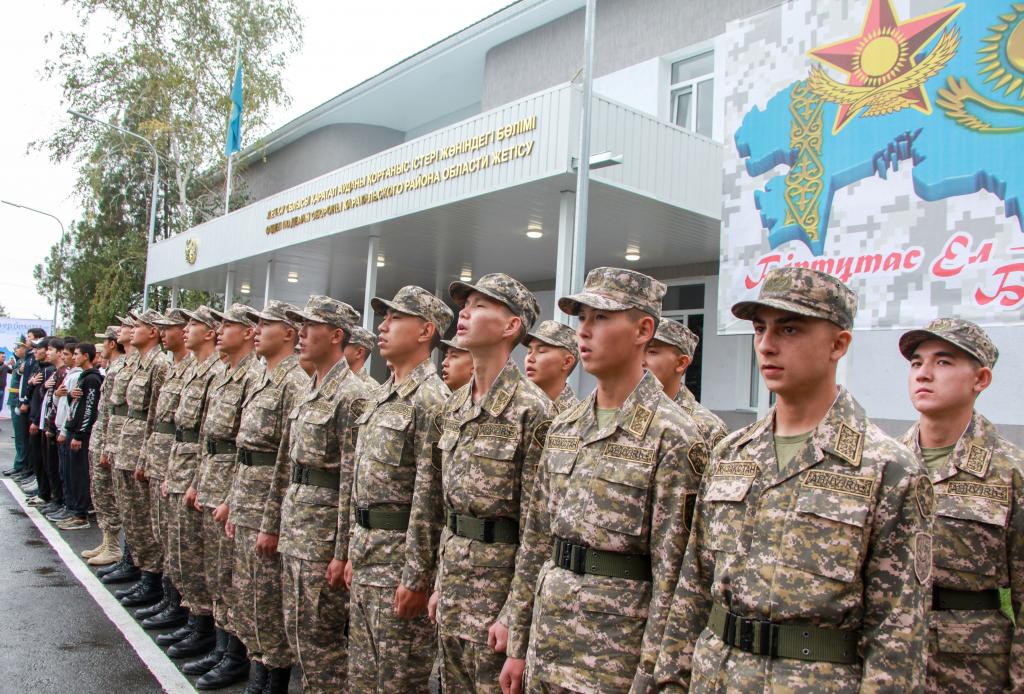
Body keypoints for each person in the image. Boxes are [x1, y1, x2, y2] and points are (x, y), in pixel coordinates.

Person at [653, 266, 933, 692]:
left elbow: (898, 635)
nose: (766, 345)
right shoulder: (731, 454)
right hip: (716, 678)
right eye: (759, 329)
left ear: (838, 344)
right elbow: (693, 591)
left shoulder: (888, 469)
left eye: (789, 329)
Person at [498, 267, 705, 693]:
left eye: (601, 318)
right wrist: (519, 643)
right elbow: (536, 542)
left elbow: (674, 579)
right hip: (548, 645)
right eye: (582, 318)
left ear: (642, 330)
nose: (584, 331)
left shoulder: (673, 436)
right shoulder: (565, 426)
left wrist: (653, 677)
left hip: (613, 660)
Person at [426, 273, 551, 694]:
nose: (464, 313)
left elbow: (538, 530)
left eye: (479, 306)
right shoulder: (455, 406)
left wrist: (516, 616)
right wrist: (440, 584)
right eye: (465, 306)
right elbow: (448, 510)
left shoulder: (533, 411)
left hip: (496, 601)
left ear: (511, 326)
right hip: (454, 590)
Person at [896, 318, 1023, 691]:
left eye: (943, 362)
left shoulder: (1009, 472)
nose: (924, 374)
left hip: (971, 672)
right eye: (916, 363)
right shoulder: (886, 464)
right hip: (891, 663)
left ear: (980, 379)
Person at [260, 296, 372, 692]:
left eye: (311, 327)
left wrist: (342, 552)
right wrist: (271, 523)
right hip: (296, 529)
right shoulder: (309, 389)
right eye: (300, 326)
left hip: (322, 540)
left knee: (322, 641)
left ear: (337, 335)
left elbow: (352, 481)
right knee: (298, 631)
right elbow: (285, 466)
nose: (302, 334)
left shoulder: (353, 395)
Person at [346, 286, 453, 693]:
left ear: (426, 331)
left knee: (396, 681)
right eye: (384, 318)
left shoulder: (433, 400)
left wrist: (417, 577)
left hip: (398, 565)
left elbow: (430, 497)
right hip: (367, 553)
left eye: (396, 318)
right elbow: (360, 483)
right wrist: (353, 548)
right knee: (362, 677)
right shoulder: (380, 395)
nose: (382, 327)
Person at [226, 300, 306, 694]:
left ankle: (272, 681)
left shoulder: (295, 383)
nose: (256, 331)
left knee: (268, 599)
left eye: (265, 324)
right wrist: (232, 501)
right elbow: (244, 448)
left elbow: (288, 461)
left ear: (288, 333)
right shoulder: (262, 377)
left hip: (267, 508)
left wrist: (272, 521)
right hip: (246, 498)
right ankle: (256, 670)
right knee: (248, 592)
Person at [182, 304, 259, 688]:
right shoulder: (226, 374)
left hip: (234, 487)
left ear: (246, 332)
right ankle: (218, 642)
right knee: (214, 570)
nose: (220, 330)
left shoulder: (254, 376)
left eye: (229, 325)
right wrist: (197, 481)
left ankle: (234, 655)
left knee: (232, 577)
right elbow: (206, 437)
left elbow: (249, 450)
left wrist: (231, 498)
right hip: (213, 480)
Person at [161, 306, 222, 660]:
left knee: (203, 556)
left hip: (208, 474)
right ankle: (188, 613)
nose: (185, 329)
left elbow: (209, 437)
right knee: (180, 546)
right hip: (185, 465)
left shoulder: (218, 372)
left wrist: (196, 480)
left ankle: (206, 628)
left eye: (193, 324)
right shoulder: (192, 370)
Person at [134, 309, 194, 632]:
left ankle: (184, 609)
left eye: (170, 328)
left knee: (182, 542)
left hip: (182, 463)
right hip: (165, 457)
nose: (165, 332)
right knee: (162, 532)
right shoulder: (172, 368)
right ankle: (167, 596)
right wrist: (147, 456)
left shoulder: (190, 369)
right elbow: (154, 417)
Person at [111, 310, 168, 609]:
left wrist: (145, 455)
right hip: (130, 444)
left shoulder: (159, 364)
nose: (132, 329)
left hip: (145, 450)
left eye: (139, 325)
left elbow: (154, 415)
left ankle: (151, 579)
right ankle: (139, 568)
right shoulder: (139, 362)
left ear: (153, 332)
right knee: (133, 514)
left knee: (147, 519)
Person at [96, 316, 142, 585]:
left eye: (132, 326)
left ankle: (137, 565)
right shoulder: (128, 364)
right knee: (126, 506)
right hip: (119, 437)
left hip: (132, 444)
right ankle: (122, 552)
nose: (128, 330)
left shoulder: (155, 365)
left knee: (138, 512)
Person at [644, 320, 728, 448]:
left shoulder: (706, 426)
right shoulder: (622, 413)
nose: (639, 360)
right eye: (637, 350)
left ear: (681, 363)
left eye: (652, 352)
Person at [81, 326, 126, 566]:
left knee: (108, 492)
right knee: (99, 490)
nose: (101, 348)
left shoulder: (121, 369)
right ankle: (107, 540)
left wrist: (109, 444)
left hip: (109, 438)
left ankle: (114, 545)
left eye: (105, 341)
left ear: (112, 344)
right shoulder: (112, 368)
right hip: (100, 435)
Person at [61, 342, 103, 529]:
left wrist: (79, 434)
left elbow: (90, 409)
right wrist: (71, 395)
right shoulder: (82, 377)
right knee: (72, 473)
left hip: (82, 434)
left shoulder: (92, 379)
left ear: (86, 356)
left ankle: (81, 514)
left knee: (80, 474)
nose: (74, 357)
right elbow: (77, 404)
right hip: (73, 427)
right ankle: (74, 509)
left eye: (77, 354)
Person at [523, 319, 579, 414]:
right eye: (529, 351)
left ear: (567, 362)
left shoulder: (579, 416)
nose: (530, 358)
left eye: (541, 351)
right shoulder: (516, 406)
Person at [3, 341, 27, 474]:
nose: (16, 349)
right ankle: (19, 464)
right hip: (14, 400)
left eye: (19, 347)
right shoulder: (20, 361)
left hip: (19, 401)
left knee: (21, 436)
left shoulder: (26, 362)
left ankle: (20, 464)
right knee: (18, 436)